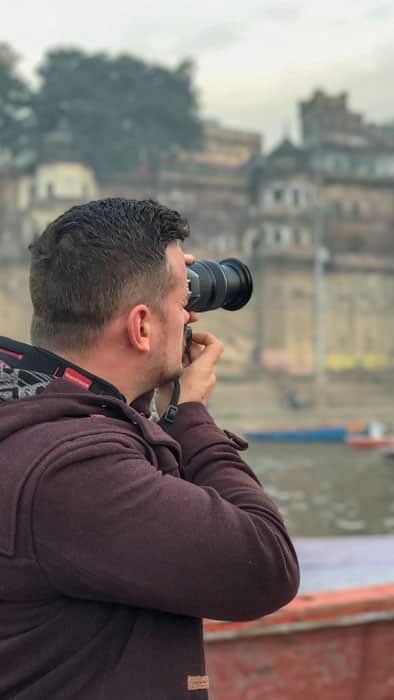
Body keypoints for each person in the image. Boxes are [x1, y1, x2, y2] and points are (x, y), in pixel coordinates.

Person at [0, 198, 299, 700]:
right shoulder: (74, 469)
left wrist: (146, 400)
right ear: (140, 327)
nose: (190, 314)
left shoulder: (30, 415)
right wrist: (193, 417)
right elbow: (265, 566)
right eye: (184, 302)